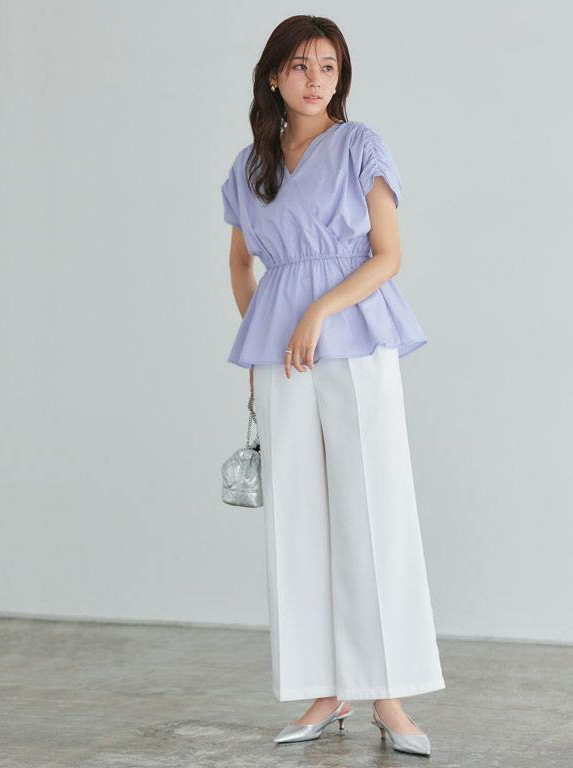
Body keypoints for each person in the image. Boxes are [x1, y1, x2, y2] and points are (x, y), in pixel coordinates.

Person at [220, 15, 445, 757]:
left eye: (328, 65)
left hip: (354, 341)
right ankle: (325, 688)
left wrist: (316, 311)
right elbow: (241, 263)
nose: (315, 79)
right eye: (300, 65)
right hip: (283, 359)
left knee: (372, 507)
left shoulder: (359, 146)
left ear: (340, 76)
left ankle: (389, 696)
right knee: (296, 516)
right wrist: (266, 333)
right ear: (273, 76)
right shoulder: (250, 166)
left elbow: (388, 255)